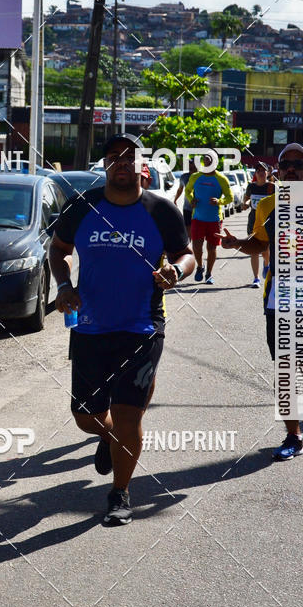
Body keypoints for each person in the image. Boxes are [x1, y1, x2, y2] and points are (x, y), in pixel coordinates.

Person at [49, 133, 194, 525]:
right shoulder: (83, 206)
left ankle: (120, 493)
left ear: (142, 165)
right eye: (114, 156)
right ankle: (106, 434)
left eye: (131, 157)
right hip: (89, 327)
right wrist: (63, 286)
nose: (123, 162)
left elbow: (186, 255)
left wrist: (176, 271)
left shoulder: (161, 210)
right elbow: (58, 249)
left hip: (142, 326)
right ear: (105, 165)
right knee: (86, 416)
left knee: (129, 416)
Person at [219, 142, 303, 461]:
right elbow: (260, 244)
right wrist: (236, 243)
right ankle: (293, 436)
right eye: (286, 165)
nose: (292, 169)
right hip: (278, 299)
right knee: (286, 370)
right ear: (278, 172)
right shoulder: (267, 206)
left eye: (298, 164)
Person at [184, 156, 233, 285]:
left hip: (214, 219)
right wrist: (191, 199)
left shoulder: (221, 179)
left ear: (215, 162)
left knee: (211, 248)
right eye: (205, 159)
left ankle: (209, 273)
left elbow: (230, 197)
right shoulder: (195, 176)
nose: (208, 162)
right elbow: (187, 190)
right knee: (196, 246)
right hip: (197, 218)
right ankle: (200, 266)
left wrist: (219, 201)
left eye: (210, 160)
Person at [242, 162, 275, 287]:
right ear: (255, 173)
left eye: (263, 170)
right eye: (258, 170)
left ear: (268, 173)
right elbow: (247, 199)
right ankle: (256, 278)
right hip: (253, 222)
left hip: (267, 223)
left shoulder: (272, 187)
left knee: (266, 250)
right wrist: (246, 204)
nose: (261, 173)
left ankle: (266, 264)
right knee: (254, 250)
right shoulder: (251, 187)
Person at [174, 160, 195, 228]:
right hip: (187, 207)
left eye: (191, 163)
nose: (190, 165)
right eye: (188, 164)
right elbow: (180, 190)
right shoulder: (184, 177)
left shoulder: (201, 177)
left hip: (199, 207)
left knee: (198, 228)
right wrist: (175, 199)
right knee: (187, 227)